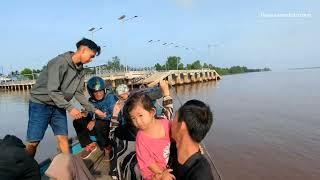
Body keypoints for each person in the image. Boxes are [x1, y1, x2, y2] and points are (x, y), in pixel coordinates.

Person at [26, 38, 106, 157]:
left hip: (59, 105)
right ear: (83, 50)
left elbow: (78, 93)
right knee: (33, 142)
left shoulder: (81, 71)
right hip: (40, 104)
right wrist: (70, 108)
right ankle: (26, 168)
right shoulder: (59, 62)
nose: (91, 59)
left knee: (63, 139)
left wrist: (94, 110)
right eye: (91, 56)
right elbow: (52, 90)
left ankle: (67, 169)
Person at [125, 80, 173, 180]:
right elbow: (148, 162)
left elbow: (176, 135)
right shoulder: (141, 137)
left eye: (140, 115)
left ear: (152, 112)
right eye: (133, 118)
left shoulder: (166, 123)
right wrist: (161, 173)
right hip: (152, 172)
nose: (137, 121)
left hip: (165, 164)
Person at [167, 100, 214, 180]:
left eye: (175, 116)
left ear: (182, 126)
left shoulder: (201, 174)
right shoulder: (170, 149)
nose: (171, 122)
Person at [73, 76, 118, 159]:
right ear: (91, 93)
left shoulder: (110, 98)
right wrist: (85, 114)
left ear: (104, 90)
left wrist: (94, 120)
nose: (98, 94)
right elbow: (89, 113)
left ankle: (107, 146)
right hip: (98, 124)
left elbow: (114, 116)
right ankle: (89, 143)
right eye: (95, 92)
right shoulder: (91, 101)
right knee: (77, 121)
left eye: (100, 91)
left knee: (98, 124)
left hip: (111, 126)